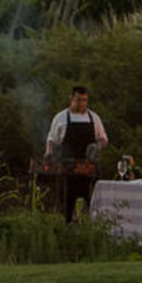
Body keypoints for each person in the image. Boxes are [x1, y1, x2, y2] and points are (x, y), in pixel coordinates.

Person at [44, 85, 108, 222]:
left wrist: (97, 146)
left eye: (85, 100)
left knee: (92, 202)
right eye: (79, 100)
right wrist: (48, 153)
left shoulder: (94, 118)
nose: (82, 103)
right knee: (66, 203)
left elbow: (103, 139)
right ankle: (66, 228)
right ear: (71, 99)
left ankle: (91, 228)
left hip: (89, 168)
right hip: (67, 169)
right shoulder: (60, 118)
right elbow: (51, 140)